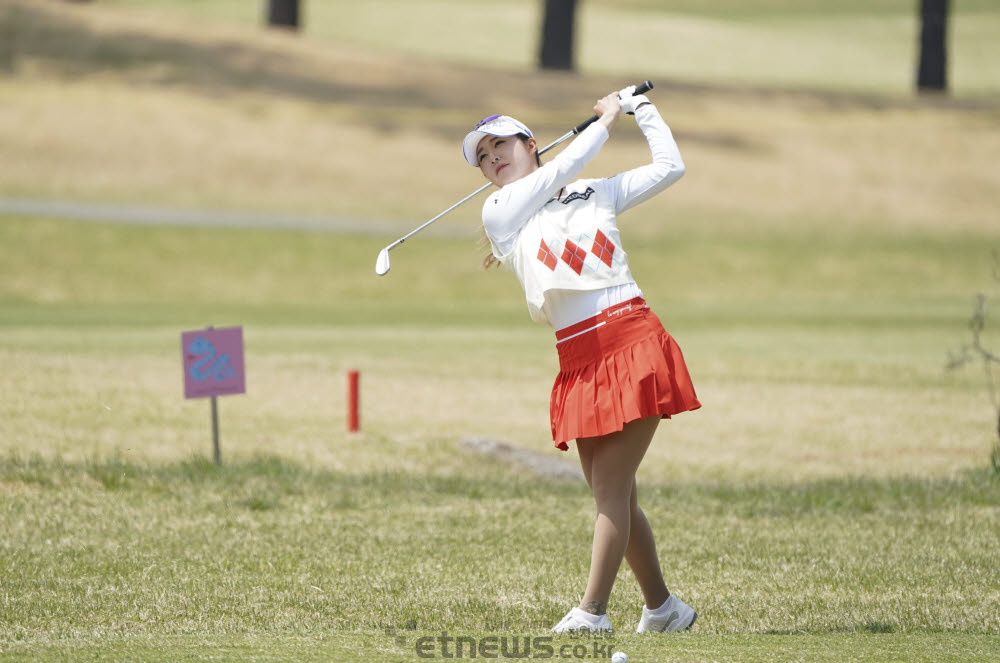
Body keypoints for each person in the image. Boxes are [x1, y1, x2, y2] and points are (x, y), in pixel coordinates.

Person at [461, 86, 701, 634]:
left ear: (530, 143)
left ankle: (592, 612)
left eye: (501, 144)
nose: (492, 158)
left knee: (612, 488)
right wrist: (605, 121)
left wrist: (640, 109)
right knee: (613, 491)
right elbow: (559, 168)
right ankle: (664, 610)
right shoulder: (500, 212)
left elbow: (671, 166)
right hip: (580, 360)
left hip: (632, 341)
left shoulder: (594, 191)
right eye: (483, 156)